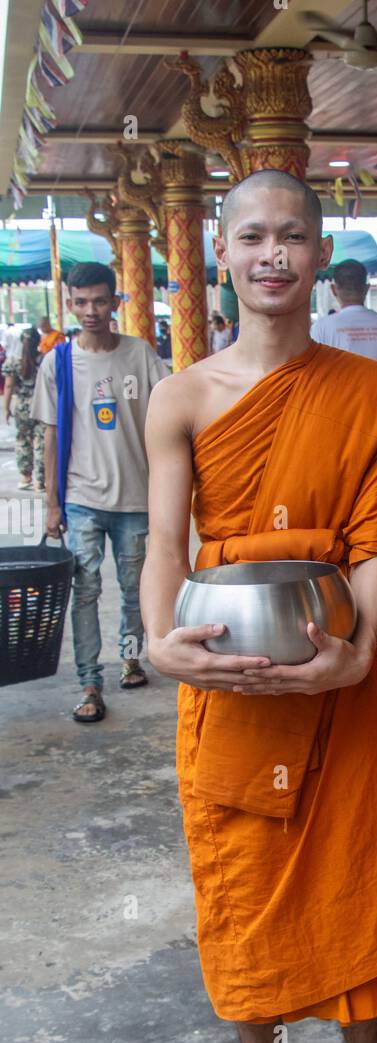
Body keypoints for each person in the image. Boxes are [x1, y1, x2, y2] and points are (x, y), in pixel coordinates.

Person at [140, 169, 377, 1043]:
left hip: (340, 669)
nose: (272, 254)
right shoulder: (181, 395)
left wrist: (364, 645)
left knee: (356, 889)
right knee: (241, 897)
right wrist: (160, 642)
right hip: (228, 664)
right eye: (252, 235)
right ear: (222, 253)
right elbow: (167, 545)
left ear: (317, 253)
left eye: (292, 235)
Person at [32, 261, 169, 722]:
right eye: (81, 302)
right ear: (70, 304)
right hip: (81, 498)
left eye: (98, 301)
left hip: (135, 498)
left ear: (115, 302)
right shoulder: (59, 362)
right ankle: (90, 681)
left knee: (134, 591)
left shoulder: (140, 355)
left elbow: (167, 421)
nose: (90, 310)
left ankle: (130, 657)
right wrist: (52, 502)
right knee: (85, 591)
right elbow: (51, 435)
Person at [312, 260, 377, 607]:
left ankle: (345, 580)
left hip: (338, 432)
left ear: (334, 289)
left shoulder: (324, 327)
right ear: (367, 288)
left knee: (343, 509)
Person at [3, 326, 44, 490]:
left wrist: (6, 408)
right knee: (42, 442)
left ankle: (26, 477)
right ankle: (41, 480)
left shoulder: (13, 361)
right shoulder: (44, 359)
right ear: (38, 341)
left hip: (22, 407)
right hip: (42, 406)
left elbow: (8, 386)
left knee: (23, 440)